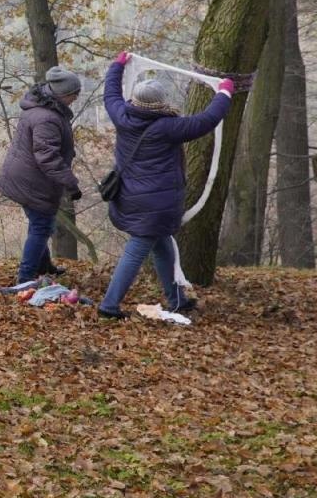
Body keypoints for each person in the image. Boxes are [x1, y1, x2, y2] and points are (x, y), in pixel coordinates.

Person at [97, 51, 234, 318]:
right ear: (161, 103)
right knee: (137, 250)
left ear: (136, 99)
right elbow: (206, 120)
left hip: (129, 196)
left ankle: (177, 299)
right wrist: (225, 93)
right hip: (156, 204)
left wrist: (117, 65)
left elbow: (110, 93)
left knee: (162, 246)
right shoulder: (169, 127)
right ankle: (109, 306)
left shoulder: (122, 115)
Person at [0, 66, 84, 283]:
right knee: (42, 226)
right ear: (63, 94)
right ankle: (25, 278)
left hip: (25, 177)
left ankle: (44, 266)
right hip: (32, 181)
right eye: (75, 94)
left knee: (41, 223)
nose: (76, 98)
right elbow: (47, 157)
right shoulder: (47, 117)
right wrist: (71, 183)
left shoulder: (44, 108)